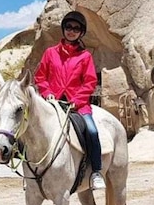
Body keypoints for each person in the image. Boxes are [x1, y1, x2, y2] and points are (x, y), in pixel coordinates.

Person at [34, 10, 105, 191]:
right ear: (63, 29)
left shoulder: (85, 56)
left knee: (91, 130)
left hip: (78, 105)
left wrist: (76, 99)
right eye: (68, 27)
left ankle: (96, 171)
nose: (71, 31)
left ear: (81, 32)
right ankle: (30, 171)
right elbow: (40, 77)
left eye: (76, 28)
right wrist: (47, 93)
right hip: (53, 103)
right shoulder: (50, 53)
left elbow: (89, 81)